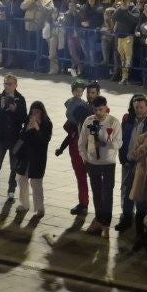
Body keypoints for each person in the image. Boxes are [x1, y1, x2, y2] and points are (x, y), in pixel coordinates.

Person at [78, 97, 121, 233]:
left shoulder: (113, 122)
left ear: (106, 108)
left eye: (100, 109)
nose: (98, 112)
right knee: (96, 192)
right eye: (95, 110)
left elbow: (119, 143)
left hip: (108, 163)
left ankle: (106, 224)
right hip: (93, 163)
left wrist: (106, 143)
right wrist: (85, 157)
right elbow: (82, 142)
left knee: (107, 193)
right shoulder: (89, 121)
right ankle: (98, 219)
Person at [55, 81, 93, 215]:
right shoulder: (75, 123)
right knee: (81, 177)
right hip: (76, 150)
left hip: (90, 153)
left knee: (93, 179)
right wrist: (61, 148)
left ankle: (97, 207)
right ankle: (83, 203)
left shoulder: (96, 114)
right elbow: (71, 135)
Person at [115, 94, 147, 231]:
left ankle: (141, 221)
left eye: (142, 107)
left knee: (140, 192)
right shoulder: (127, 119)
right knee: (126, 190)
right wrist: (123, 158)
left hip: (142, 163)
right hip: (128, 161)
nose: (139, 110)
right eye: (136, 107)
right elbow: (121, 138)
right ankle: (127, 217)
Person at [0, 75, 28, 201]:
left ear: (16, 85)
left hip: (14, 139)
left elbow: (24, 119)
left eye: (10, 84)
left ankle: (11, 191)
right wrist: (1, 109)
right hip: (0, 137)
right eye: (5, 83)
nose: (7, 86)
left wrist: (15, 109)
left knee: (14, 167)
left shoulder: (20, 99)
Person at [12, 100, 52, 218]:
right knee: (20, 179)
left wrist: (37, 128)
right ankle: (24, 204)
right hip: (25, 158)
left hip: (37, 159)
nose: (34, 114)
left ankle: (40, 208)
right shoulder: (28, 122)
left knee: (36, 183)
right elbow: (21, 139)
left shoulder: (47, 124)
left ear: (42, 112)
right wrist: (28, 129)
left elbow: (45, 141)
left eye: (37, 111)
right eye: (32, 111)